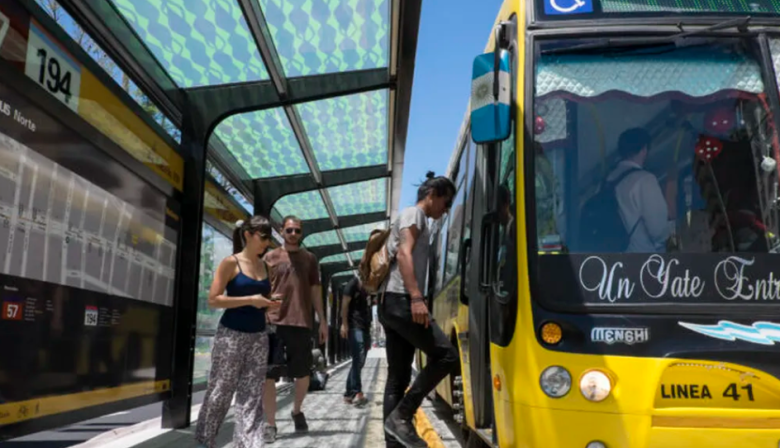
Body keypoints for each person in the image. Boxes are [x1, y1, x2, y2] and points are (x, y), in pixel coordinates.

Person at [380, 171, 459, 448]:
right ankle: (402, 415)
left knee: (398, 377)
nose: (445, 210)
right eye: (446, 203)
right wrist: (416, 298)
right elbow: (404, 253)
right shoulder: (414, 215)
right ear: (432, 195)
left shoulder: (417, 218)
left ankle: (394, 441)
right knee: (447, 355)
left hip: (391, 303)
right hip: (402, 300)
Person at [195, 216, 280, 448]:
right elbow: (213, 300)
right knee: (221, 391)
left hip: (259, 337)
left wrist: (269, 303)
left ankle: (248, 444)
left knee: (252, 395)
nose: (266, 243)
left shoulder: (265, 266)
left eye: (269, 238)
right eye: (263, 237)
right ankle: (205, 439)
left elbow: (260, 300)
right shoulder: (230, 263)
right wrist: (250, 299)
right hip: (231, 336)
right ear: (248, 235)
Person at [262, 216, 327, 443]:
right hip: (273, 322)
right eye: (289, 230)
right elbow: (261, 289)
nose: (293, 234)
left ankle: (297, 410)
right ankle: (270, 424)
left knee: (302, 374)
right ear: (281, 231)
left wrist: (323, 320)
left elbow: (316, 290)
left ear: (301, 233)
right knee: (269, 375)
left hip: (301, 322)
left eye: (297, 231)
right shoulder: (269, 257)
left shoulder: (309, 259)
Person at [607, 128, 670, 252]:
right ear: (644, 149)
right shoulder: (645, 179)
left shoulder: (609, 178)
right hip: (641, 256)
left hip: (613, 253)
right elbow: (658, 230)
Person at [340, 276, 371, 407]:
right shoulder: (352, 284)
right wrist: (344, 324)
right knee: (358, 358)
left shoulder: (369, 287)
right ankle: (357, 392)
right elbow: (344, 305)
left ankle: (348, 394)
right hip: (354, 326)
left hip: (365, 328)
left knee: (360, 361)